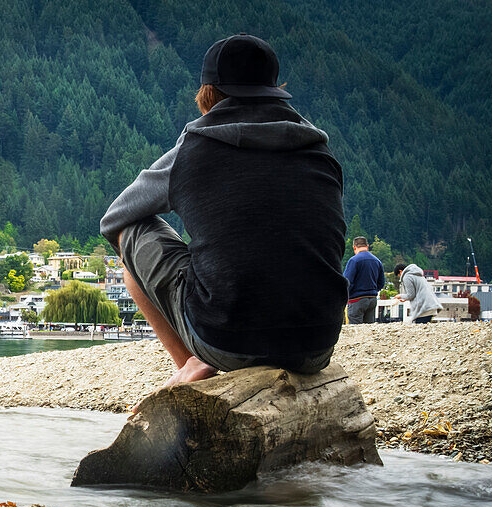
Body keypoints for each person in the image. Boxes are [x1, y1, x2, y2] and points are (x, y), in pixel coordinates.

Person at [100, 34, 346, 388]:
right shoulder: (321, 152)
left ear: (208, 92)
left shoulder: (196, 147)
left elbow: (116, 217)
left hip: (227, 343)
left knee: (131, 234)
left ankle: (191, 365)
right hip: (318, 346)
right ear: (276, 89)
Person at [343, 236, 385, 324]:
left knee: (356, 330)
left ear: (354, 247)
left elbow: (347, 282)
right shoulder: (377, 261)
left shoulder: (354, 261)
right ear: (367, 246)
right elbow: (381, 283)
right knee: (368, 330)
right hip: (372, 299)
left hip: (357, 300)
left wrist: (345, 297)